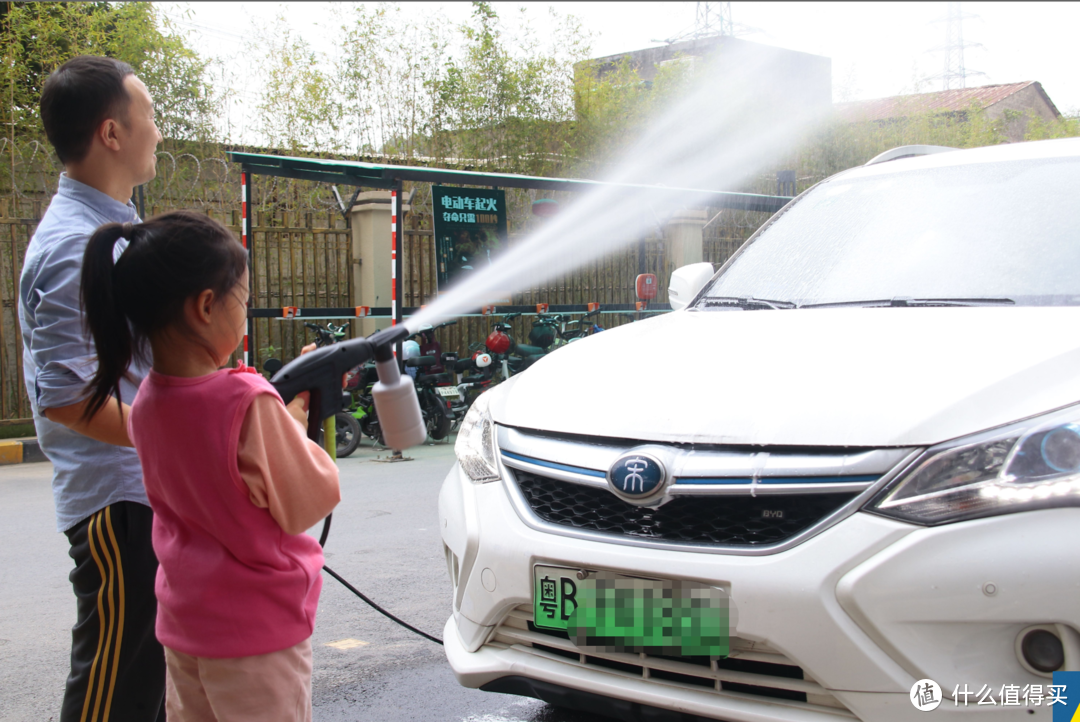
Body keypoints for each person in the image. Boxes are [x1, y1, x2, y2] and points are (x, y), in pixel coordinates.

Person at [79, 210, 341, 721]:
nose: (244, 314)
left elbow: (217, 458)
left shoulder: (148, 401)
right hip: (256, 640)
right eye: (241, 301)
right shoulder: (245, 400)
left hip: (184, 631)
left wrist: (282, 411)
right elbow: (310, 497)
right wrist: (296, 417)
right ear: (205, 306)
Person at [19, 55, 165, 721]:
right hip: (117, 502)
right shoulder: (74, 245)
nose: (158, 132)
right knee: (113, 687)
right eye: (151, 116)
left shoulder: (108, 230)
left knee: (146, 685)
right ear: (112, 133)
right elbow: (67, 398)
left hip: (142, 491)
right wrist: (176, 436)